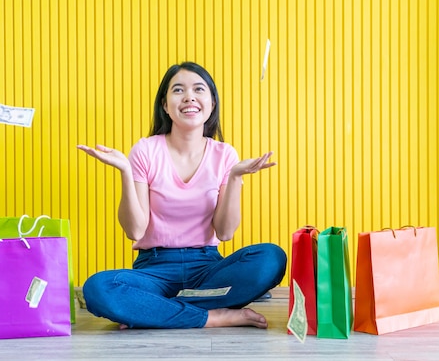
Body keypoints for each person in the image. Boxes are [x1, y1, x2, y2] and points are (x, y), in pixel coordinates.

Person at [77, 61, 287, 329]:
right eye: (178, 90)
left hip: (207, 268)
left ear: (211, 103)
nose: (189, 97)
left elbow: (224, 233)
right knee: (98, 288)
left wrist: (235, 177)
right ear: (165, 105)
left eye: (198, 89)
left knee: (271, 258)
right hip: (154, 270)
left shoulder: (225, 155)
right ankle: (212, 316)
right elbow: (135, 230)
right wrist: (125, 172)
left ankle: (153, 311)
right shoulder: (145, 150)